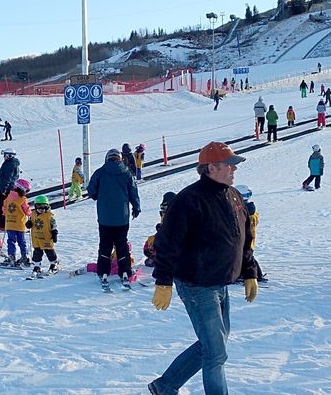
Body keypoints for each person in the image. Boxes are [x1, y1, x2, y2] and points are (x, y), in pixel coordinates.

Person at [149, 141, 257, 395]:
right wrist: (163, 282)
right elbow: (167, 243)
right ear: (210, 167)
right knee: (216, 354)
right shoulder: (189, 200)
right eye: (229, 165)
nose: (234, 170)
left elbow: (244, 236)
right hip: (197, 285)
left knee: (212, 346)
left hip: (220, 282)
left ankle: (165, 386)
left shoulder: (233, 195)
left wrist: (249, 271)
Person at [87, 148, 140, 290]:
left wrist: (99, 195)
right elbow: (133, 192)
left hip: (105, 218)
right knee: (121, 245)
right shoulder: (126, 173)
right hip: (122, 218)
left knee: (105, 245)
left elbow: (91, 191)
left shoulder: (100, 172)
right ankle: (125, 272)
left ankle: (103, 272)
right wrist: (136, 207)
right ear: (120, 158)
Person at [27, 195, 59, 278]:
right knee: (37, 253)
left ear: (47, 206)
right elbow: (30, 222)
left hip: (47, 238)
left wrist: (54, 233)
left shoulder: (49, 216)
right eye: (38, 206)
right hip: (36, 238)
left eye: (43, 206)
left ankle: (54, 264)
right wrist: (28, 224)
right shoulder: (33, 214)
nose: (41, 208)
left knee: (49, 252)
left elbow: (54, 225)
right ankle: (37, 266)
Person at [2, 179, 32, 266]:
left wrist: (5, 214)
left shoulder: (8, 197)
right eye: (26, 191)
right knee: (21, 241)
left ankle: (11, 257)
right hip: (19, 224)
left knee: (11, 241)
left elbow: (4, 208)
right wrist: (31, 214)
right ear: (21, 189)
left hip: (10, 223)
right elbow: (27, 210)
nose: (26, 193)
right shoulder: (23, 199)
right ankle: (24, 256)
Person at [0, 148, 21, 228]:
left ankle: (3, 224)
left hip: (6, 189)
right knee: (3, 206)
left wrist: (4, 189)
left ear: (9, 156)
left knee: (3, 206)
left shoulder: (10, 164)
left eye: (5, 155)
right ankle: (3, 224)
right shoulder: (9, 163)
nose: (4, 157)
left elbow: (8, 178)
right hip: (5, 187)